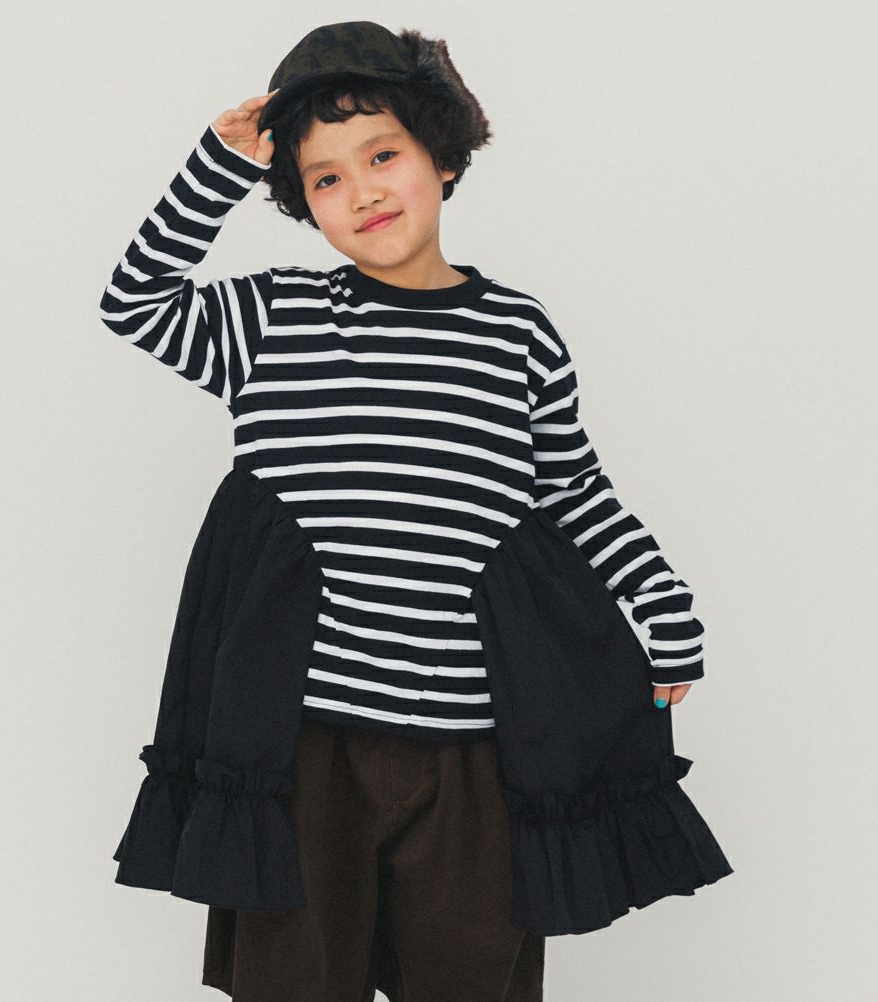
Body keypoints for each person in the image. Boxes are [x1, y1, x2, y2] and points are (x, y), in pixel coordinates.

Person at [100, 20, 732, 1002]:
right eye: (326, 178)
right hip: (304, 740)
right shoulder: (272, 322)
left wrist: (664, 606)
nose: (362, 191)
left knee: (471, 978)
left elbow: (572, 491)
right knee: (296, 979)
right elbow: (134, 300)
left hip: (472, 748)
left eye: (383, 156)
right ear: (302, 203)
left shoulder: (518, 335)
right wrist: (218, 167)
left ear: (443, 156)